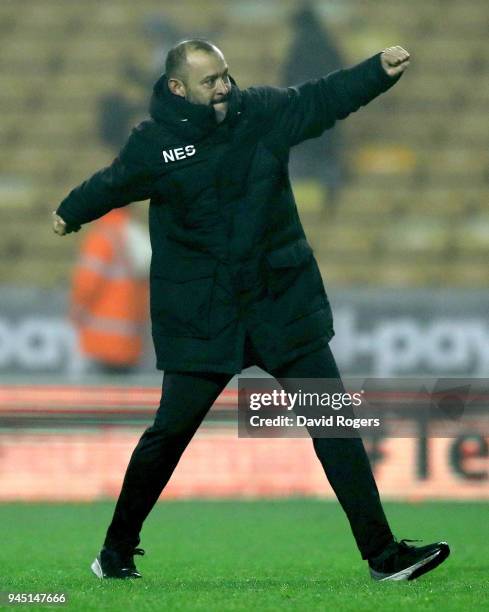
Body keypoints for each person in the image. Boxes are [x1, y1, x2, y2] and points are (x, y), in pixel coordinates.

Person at [52, 39, 450, 582]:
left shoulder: (259, 112)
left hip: (279, 306)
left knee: (334, 425)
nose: (224, 86)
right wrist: (69, 212)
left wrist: (375, 73)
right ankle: (115, 552)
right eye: (210, 80)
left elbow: (321, 99)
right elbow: (113, 183)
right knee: (168, 438)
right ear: (177, 88)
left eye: (225, 75)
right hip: (206, 319)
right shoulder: (154, 144)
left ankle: (385, 557)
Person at [69, 207, 151, 375]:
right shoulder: (135, 236)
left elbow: (87, 283)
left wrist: (76, 308)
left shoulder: (102, 237)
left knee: (98, 397)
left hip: (100, 342)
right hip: (131, 341)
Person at [282, 2, 345, 215]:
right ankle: (329, 201)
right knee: (325, 152)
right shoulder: (327, 43)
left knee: (306, 153)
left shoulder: (300, 45)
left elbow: (289, 78)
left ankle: (314, 203)